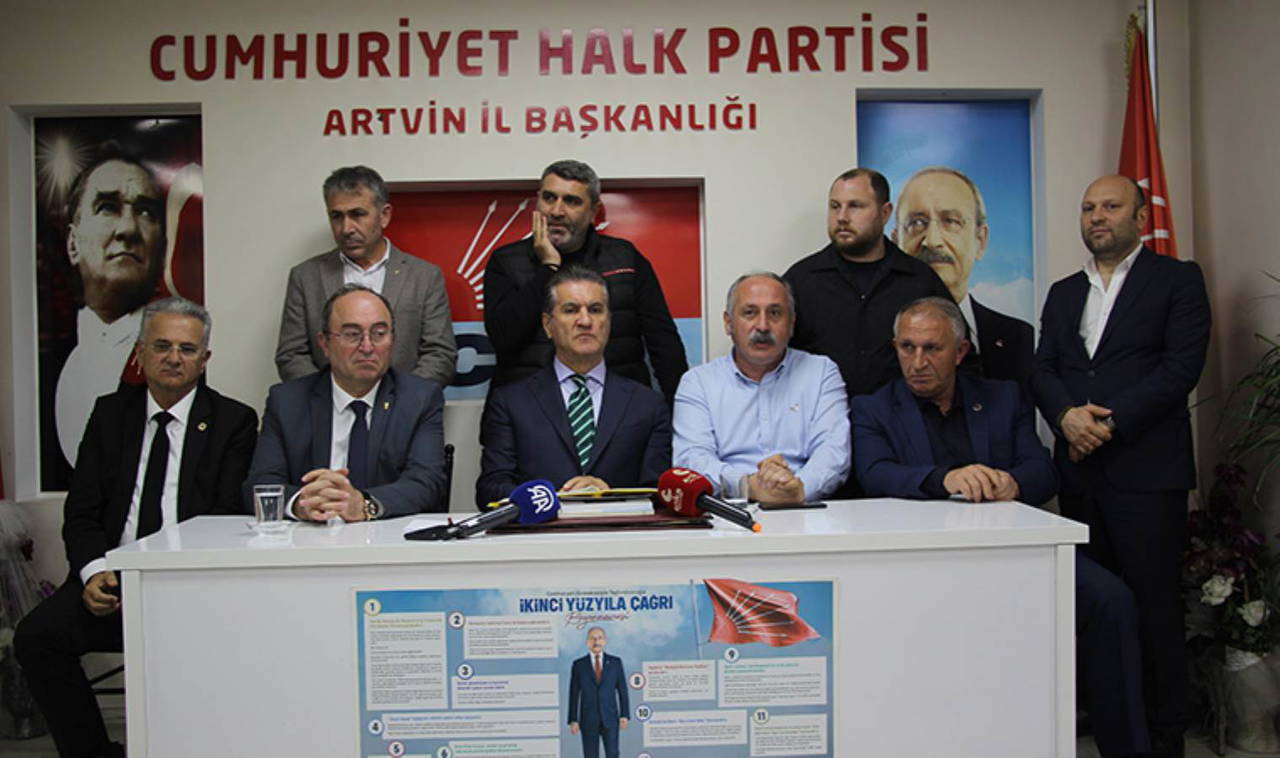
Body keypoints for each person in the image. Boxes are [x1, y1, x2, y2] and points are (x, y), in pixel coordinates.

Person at [853, 297, 1151, 758]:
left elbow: (1043, 470)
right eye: (907, 348)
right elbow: (874, 474)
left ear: (960, 351)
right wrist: (944, 479)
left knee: (1111, 600)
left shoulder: (1002, 397)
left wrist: (1014, 483)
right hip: (925, 563)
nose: (917, 362)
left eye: (932, 348)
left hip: (1015, 552)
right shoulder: (875, 408)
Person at [16, 297, 257, 758]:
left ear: (205, 359)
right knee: (36, 638)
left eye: (187, 349)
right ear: (140, 353)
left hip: (188, 587)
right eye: (162, 346)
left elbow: (226, 518)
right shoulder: (110, 415)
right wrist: (94, 573)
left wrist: (169, 580)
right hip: (112, 581)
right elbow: (82, 511)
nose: (174, 358)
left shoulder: (233, 422)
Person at [1030, 175, 1211, 758]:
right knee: (1094, 609)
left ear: (1140, 217)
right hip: (1080, 474)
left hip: (1146, 472)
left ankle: (1164, 736)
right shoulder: (1064, 291)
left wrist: (1106, 425)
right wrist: (1065, 417)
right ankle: (1111, 730)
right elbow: (1045, 368)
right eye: (1088, 208)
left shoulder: (1177, 280)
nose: (1097, 217)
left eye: (1111, 206)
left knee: (1153, 606)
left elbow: (1180, 369)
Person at [482, 159, 687, 403]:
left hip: (618, 408)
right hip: (529, 410)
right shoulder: (506, 261)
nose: (556, 211)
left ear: (594, 211)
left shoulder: (626, 258)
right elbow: (502, 337)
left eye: (572, 201)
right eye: (549, 198)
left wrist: (682, 413)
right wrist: (548, 267)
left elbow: (663, 344)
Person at [249, 284, 448, 520]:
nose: (367, 347)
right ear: (324, 343)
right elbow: (261, 483)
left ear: (393, 339)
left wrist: (364, 504)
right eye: (352, 334)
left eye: (379, 333)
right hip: (308, 534)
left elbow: (426, 482)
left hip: (385, 535)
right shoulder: (287, 401)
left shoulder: (419, 399)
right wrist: (300, 504)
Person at [476, 268, 671, 507]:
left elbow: (661, 493)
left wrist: (611, 495)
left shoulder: (648, 405)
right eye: (570, 310)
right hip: (541, 529)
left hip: (620, 528)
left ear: (609, 322)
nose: (585, 321)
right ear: (548, 325)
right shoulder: (511, 402)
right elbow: (491, 490)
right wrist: (553, 498)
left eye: (595, 310)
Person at [673, 272, 849, 504]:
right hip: (728, 511)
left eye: (775, 313)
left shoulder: (821, 373)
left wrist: (797, 490)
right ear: (728, 323)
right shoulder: (698, 383)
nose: (763, 326)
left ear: (791, 324)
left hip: (807, 507)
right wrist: (747, 486)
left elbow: (833, 451)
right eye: (750, 312)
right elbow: (691, 459)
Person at [274, 165, 457, 386]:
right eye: (336, 216)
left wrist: (403, 398)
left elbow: (440, 354)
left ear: (384, 215)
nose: (346, 228)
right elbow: (291, 355)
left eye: (357, 214)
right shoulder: (306, 277)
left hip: (405, 405)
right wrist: (331, 398)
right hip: (326, 406)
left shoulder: (424, 277)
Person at [784, 167, 953, 400]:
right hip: (820, 417)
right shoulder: (801, 280)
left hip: (902, 418)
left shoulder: (920, 281)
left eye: (855, 206)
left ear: (885, 213)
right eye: (835, 206)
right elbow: (775, 360)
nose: (842, 217)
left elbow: (958, 357)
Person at [55, 151, 168, 466]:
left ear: (163, 251)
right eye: (107, 207)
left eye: (145, 212)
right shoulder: (41, 369)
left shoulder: (181, 359)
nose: (128, 229)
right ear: (73, 244)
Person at [893, 166, 1034, 384]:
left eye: (951, 221)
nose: (932, 240)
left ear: (981, 240)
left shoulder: (1018, 337)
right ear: (895, 242)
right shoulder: (876, 336)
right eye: (916, 223)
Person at [567, 626, 629, 758]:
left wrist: (624, 715)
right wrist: (573, 720)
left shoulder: (615, 663)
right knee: (590, 755)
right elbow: (574, 694)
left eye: (600, 638)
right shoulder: (579, 665)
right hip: (588, 719)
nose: (596, 641)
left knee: (613, 754)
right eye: (592, 638)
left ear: (605, 641)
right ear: (587, 642)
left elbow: (622, 690)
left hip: (610, 718)